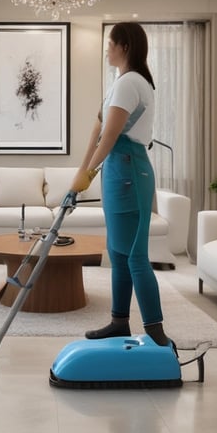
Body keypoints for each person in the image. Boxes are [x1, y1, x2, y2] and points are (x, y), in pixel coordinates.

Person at [70, 22, 173, 349]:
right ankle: (118, 322)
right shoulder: (119, 83)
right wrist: (80, 175)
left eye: (110, 42)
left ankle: (156, 333)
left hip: (128, 167)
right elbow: (96, 132)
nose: (106, 48)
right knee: (117, 252)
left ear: (124, 46)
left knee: (135, 256)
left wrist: (87, 175)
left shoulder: (131, 83)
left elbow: (111, 137)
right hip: (118, 169)